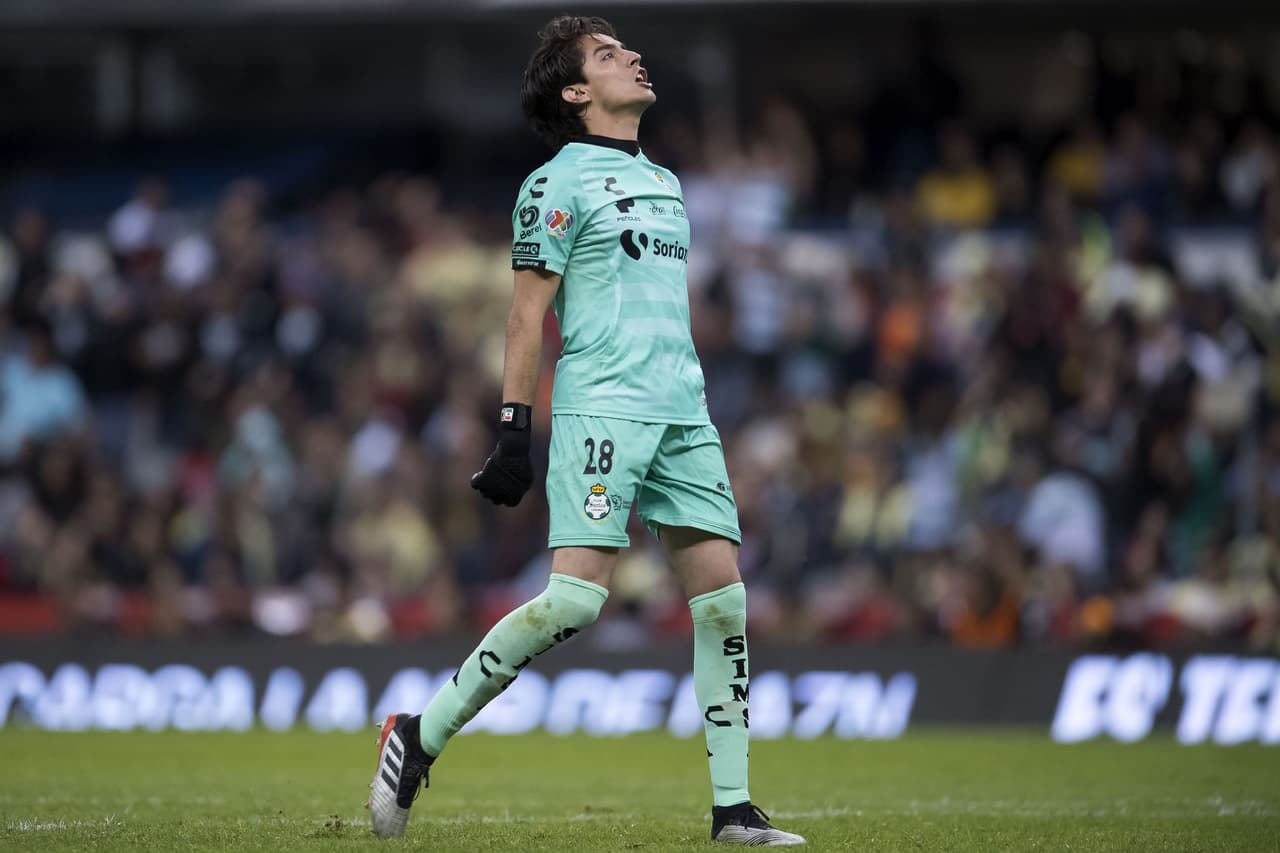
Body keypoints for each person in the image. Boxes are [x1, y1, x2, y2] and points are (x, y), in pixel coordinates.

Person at [366, 15, 805, 846]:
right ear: (576, 93)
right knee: (575, 600)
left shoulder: (668, 182)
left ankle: (734, 809)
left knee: (722, 602)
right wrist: (512, 430)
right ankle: (418, 737)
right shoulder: (553, 184)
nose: (636, 56)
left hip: (684, 410)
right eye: (609, 56)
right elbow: (526, 316)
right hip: (602, 405)